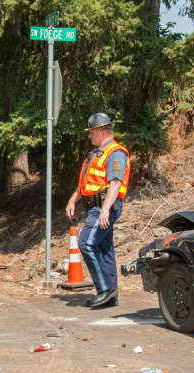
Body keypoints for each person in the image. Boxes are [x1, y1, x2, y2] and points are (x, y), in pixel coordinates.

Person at [65, 113, 130, 308]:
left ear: (102, 132)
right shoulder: (96, 153)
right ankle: (111, 295)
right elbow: (86, 182)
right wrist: (72, 201)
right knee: (104, 248)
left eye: (91, 132)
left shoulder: (115, 153)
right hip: (93, 205)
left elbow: (115, 183)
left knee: (87, 243)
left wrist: (105, 211)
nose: (89, 136)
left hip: (103, 207)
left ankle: (105, 290)